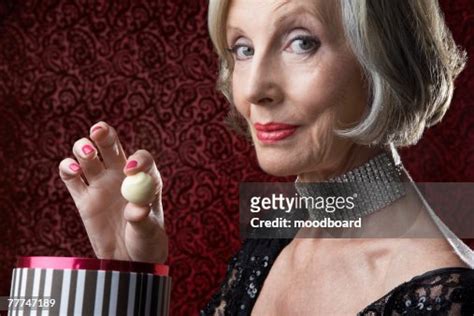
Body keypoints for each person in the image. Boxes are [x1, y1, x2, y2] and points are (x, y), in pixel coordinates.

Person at [58, 0, 474, 314]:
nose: (253, 88)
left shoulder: (445, 298)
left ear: (384, 58)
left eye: (301, 42)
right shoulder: (273, 240)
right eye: (243, 48)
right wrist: (130, 278)